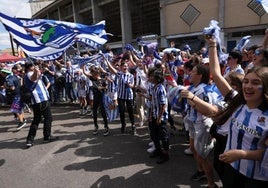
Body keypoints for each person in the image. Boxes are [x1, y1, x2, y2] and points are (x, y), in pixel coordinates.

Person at [181, 64, 222, 188]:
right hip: (193, 122)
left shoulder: (205, 90)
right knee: (193, 149)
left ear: (200, 75)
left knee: (202, 155)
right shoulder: (193, 87)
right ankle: (201, 171)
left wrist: (194, 103)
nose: (190, 74)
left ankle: (211, 184)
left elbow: (210, 111)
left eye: (193, 72)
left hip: (202, 124)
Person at [24, 61, 58, 148]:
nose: (35, 66)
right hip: (40, 99)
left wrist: (39, 70)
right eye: (33, 65)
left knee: (36, 120)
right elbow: (33, 78)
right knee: (48, 118)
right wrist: (35, 71)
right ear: (29, 67)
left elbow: (38, 76)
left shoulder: (31, 73)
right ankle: (47, 137)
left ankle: (30, 140)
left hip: (38, 100)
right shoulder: (29, 73)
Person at [105, 59, 136, 135]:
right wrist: (106, 60)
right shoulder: (119, 74)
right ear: (121, 67)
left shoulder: (131, 76)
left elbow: (133, 86)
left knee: (130, 111)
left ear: (128, 67)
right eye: (123, 66)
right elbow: (111, 68)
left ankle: (133, 125)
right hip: (121, 96)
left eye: (126, 66)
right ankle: (123, 124)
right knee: (122, 111)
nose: (125, 67)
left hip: (129, 96)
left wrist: (129, 85)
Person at [149, 68, 170, 164]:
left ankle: (165, 154)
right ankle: (158, 150)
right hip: (154, 115)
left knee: (163, 136)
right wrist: (151, 115)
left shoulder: (161, 89)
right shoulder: (154, 88)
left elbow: (163, 105)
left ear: (157, 78)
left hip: (160, 117)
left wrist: (159, 118)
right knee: (154, 135)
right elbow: (153, 103)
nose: (150, 77)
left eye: (152, 76)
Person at [82, 64, 109, 136]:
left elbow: (107, 87)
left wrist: (102, 88)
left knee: (103, 112)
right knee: (94, 112)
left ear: (98, 74)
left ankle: (106, 127)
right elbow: (84, 73)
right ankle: (96, 126)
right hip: (95, 97)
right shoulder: (92, 78)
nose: (94, 77)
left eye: (95, 75)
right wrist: (83, 65)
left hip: (102, 97)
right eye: (93, 75)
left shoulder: (103, 80)